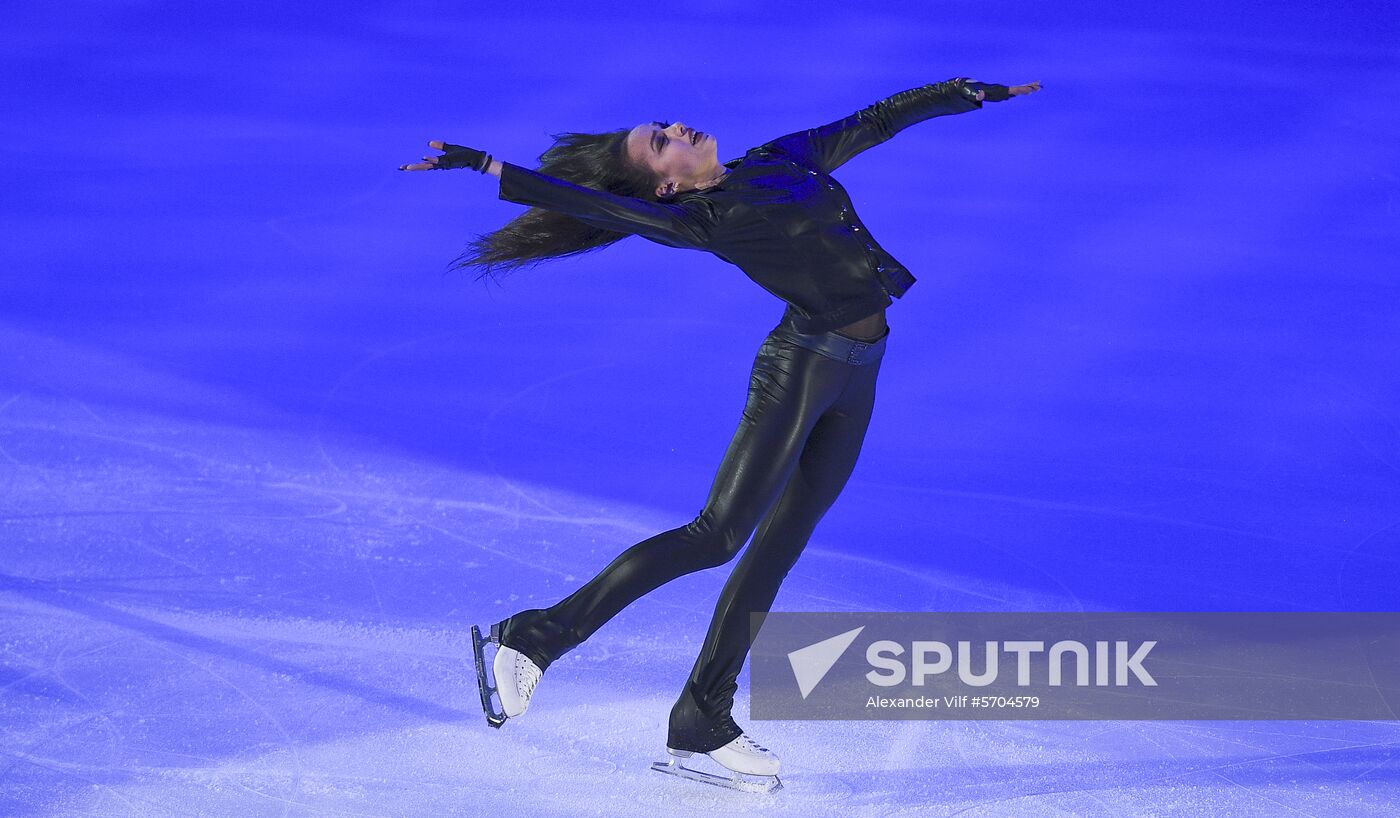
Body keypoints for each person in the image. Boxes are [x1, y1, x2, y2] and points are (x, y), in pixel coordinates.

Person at [399, 75, 1043, 788]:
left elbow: (873, 121)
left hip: (861, 371)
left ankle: (702, 718)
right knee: (718, 535)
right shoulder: (706, 220)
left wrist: (960, 92)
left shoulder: (778, 157)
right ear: (667, 186)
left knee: (779, 548)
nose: (678, 128)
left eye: (665, 124)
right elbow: (601, 205)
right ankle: (535, 637)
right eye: (661, 142)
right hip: (800, 371)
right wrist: (492, 167)